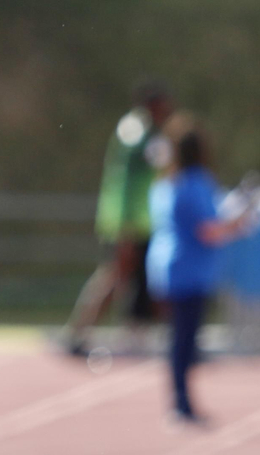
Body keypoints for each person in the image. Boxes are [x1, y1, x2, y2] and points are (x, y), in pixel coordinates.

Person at [145, 123, 255, 425]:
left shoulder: (164, 183)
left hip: (164, 267)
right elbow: (209, 230)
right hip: (189, 270)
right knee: (184, 340)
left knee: (181, 338)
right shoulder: (196, 183)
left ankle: (181, 399)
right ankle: (181, 402)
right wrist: (238, 224)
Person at [60, 78, 175, 357]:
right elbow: (158, 163)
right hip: (127, 221)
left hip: (142, 220)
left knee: (145, 280)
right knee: (114, 276)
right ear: (151, 106)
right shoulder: (136, 131)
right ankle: (78, 332)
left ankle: (143, 334)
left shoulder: (146, 132)